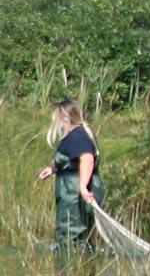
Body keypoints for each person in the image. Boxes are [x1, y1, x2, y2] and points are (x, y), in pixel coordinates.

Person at [35, 98, 103, 249]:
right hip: (71, 193)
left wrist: (83, 187)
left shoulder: (77, 136)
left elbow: (87, 159)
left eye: (57, 119)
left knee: (72, 238)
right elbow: (73, 162)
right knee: (79, 238)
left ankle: (73, 269)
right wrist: (53, 169)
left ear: (66, 118)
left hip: (74, 196)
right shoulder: (76, 135)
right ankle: (81, 267)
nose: (56, 123)